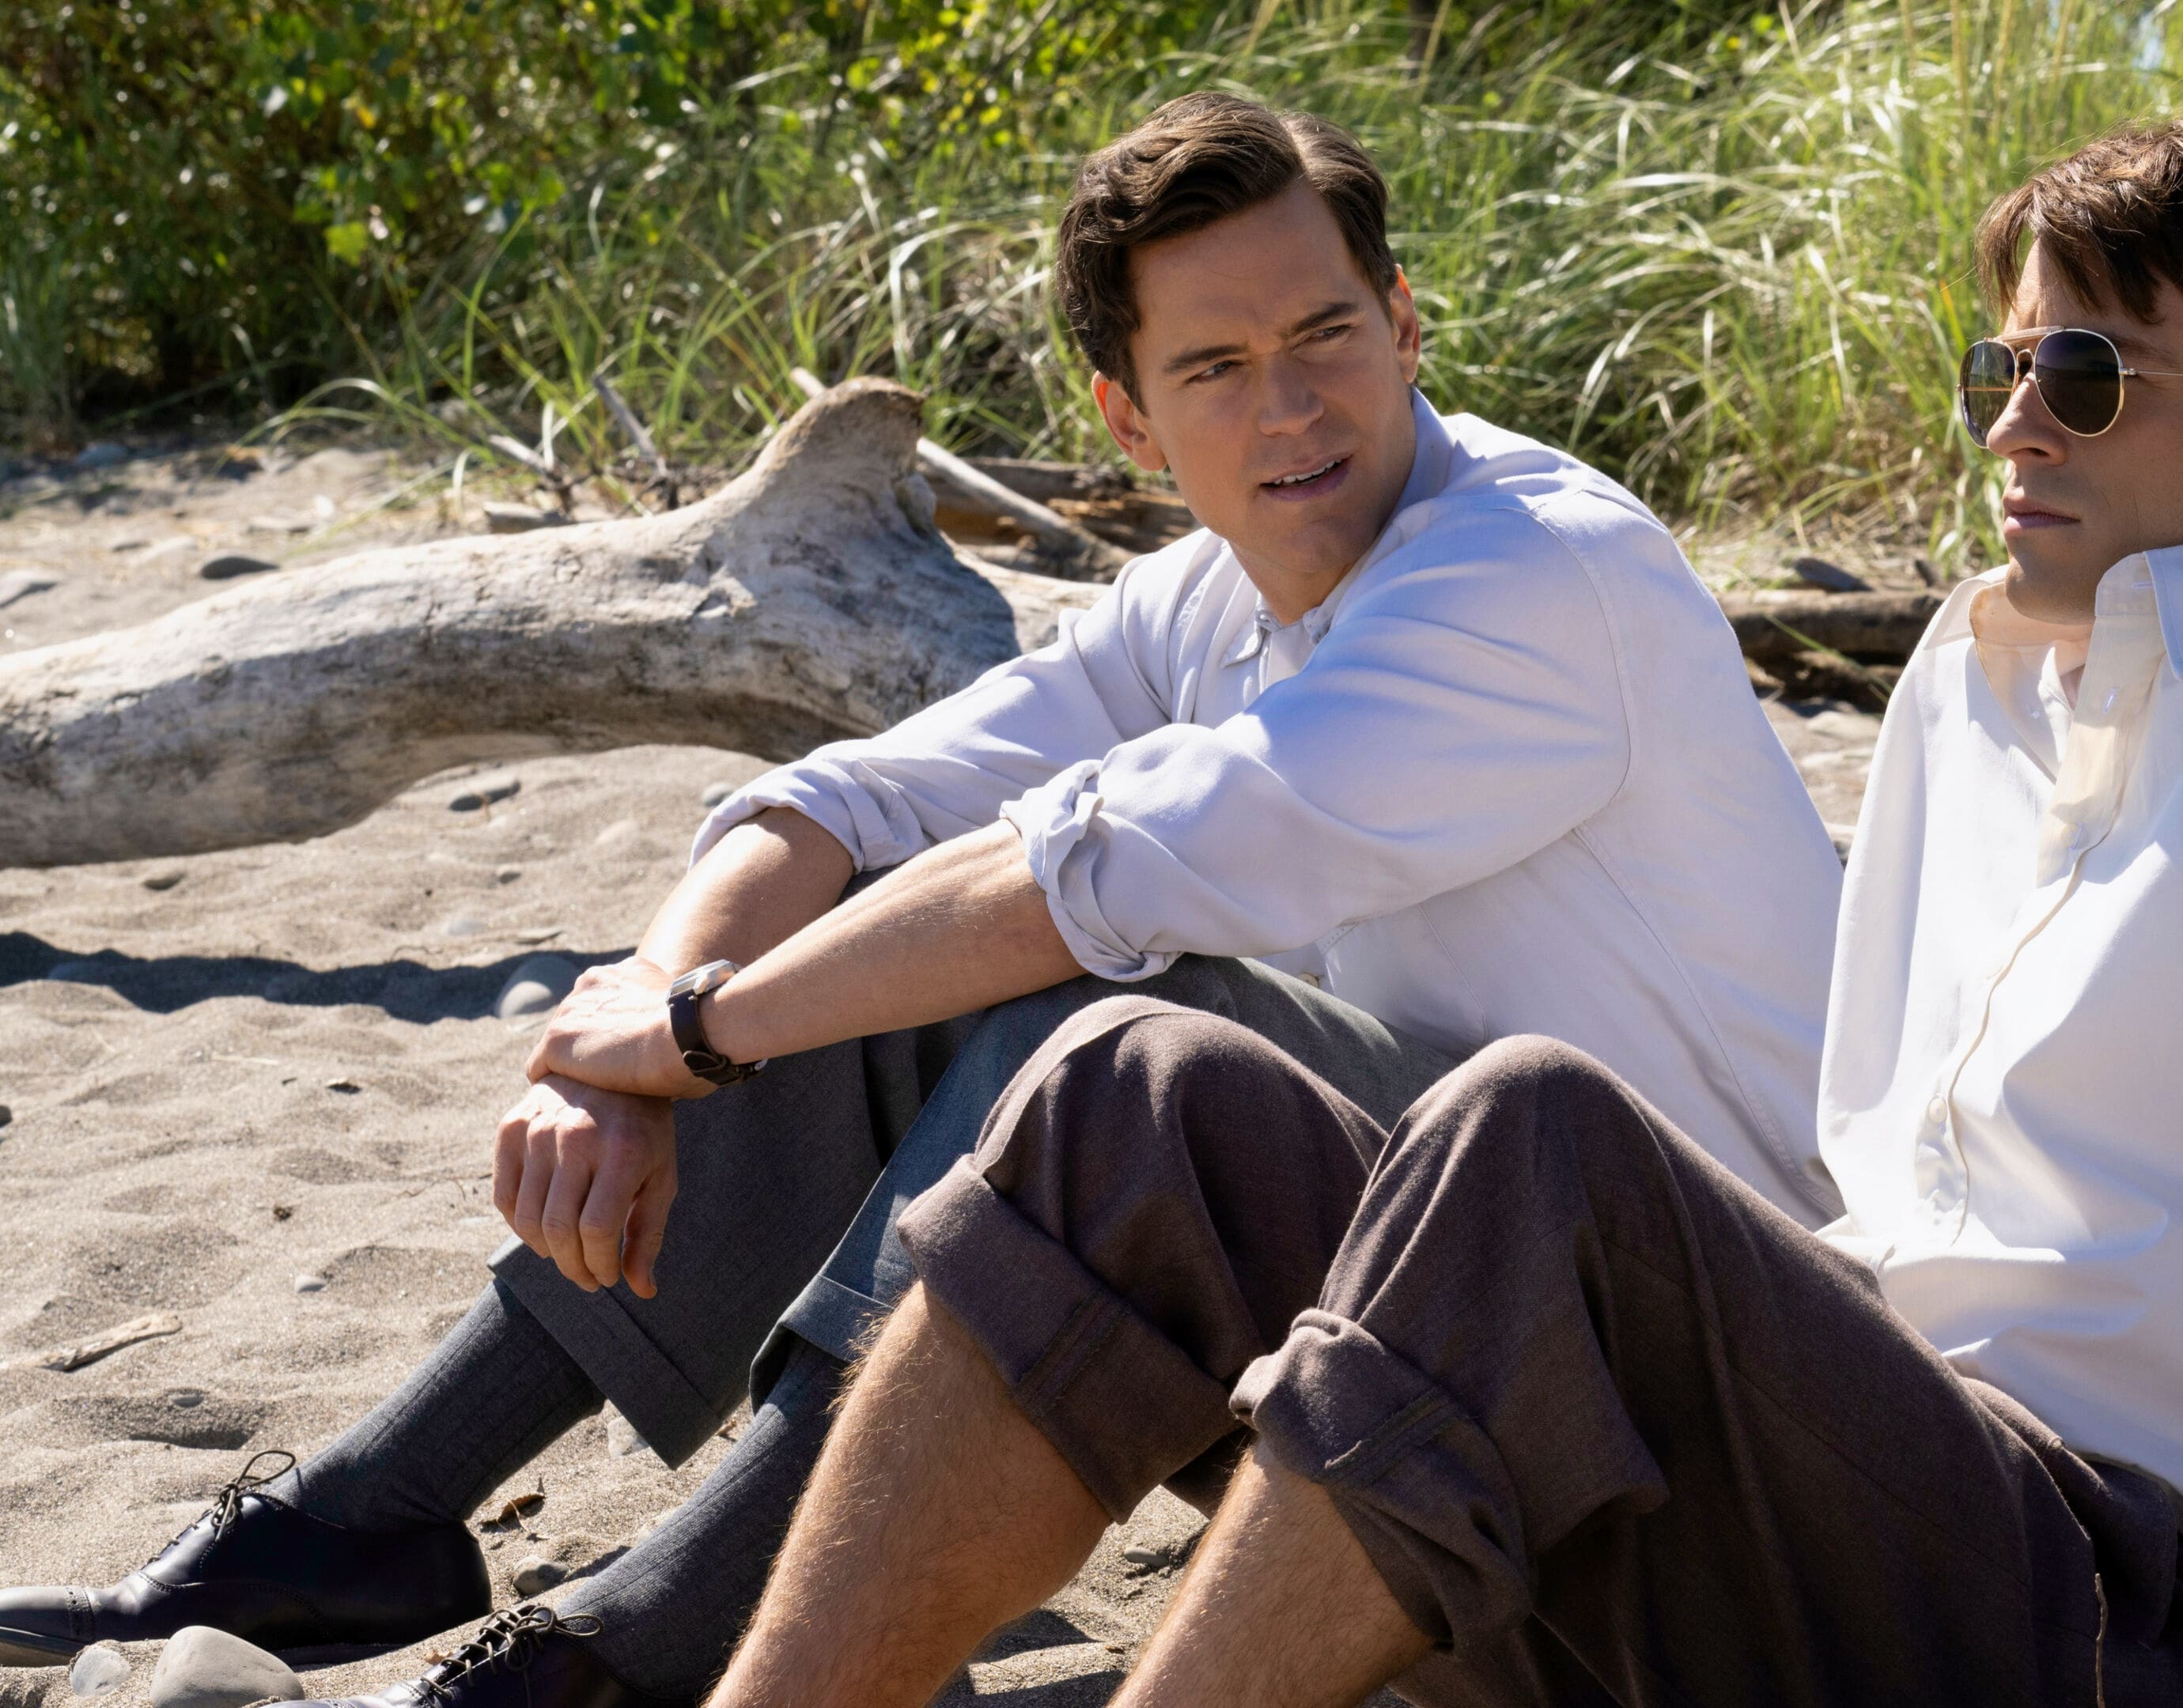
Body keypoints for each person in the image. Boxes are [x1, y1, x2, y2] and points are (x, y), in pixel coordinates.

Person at [701, 117, 2183, 1708]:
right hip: (1861, 1496)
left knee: (1531, 1133)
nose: (2014, 422)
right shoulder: (1978, 679)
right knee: (1136, 1093)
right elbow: (1889, 1188)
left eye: (2090, 376)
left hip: (2141, 1606)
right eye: (2004, 363)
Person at [0, 93, 1845, 1708]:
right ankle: (380, 1514)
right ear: (1130, 418)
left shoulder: (1532, 578)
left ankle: (644, 1644)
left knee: (1090, 1016)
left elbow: (1081, 882)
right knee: (878, 941)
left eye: (1326, 333)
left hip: (1675, 1383)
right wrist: (638, 1024)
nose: (1291, 404)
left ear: (1406, 322)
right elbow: (849, 798)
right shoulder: (1216, 593)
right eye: (1215, 368)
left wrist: (698, 1034)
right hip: (1408, 1344)